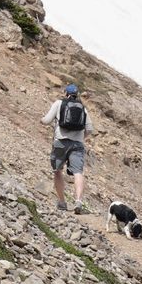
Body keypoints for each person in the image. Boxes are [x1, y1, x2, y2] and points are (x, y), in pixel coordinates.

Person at [41, 83, 93, 213]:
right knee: (78, 172)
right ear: (77, 95)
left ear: (66, 93)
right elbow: (89, 129)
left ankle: (62, 202)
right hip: (77, 144)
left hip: (60, 142)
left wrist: (41, 120)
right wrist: (81, 138)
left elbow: (47, 120)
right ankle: (79, 202)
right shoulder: (83, 108)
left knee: (57, 171)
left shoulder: (59, 103)